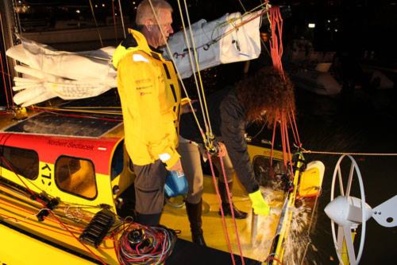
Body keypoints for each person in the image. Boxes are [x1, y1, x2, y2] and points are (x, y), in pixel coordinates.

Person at [179, 66, 295, 246]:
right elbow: (240, 152)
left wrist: (222, 141)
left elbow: (224, 125)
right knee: (196, 184)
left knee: (228, 167)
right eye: (271, 106)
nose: (271, 112)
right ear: (264, 97)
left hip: (212, 133)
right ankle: (197, 232)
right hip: (189, 134)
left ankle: (226, 207)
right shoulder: (232, 105)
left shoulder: (248, 100)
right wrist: (254, 194)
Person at [112, 0, 184, 226]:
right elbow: (147, 120)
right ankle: (143, 250)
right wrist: (170, 158)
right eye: (167, 25)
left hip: (159, 147)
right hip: (151, 153)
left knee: (155, 201)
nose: (172, 30)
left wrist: (183, 105)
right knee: (149, 211)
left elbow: (159, 103)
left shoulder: (150, 56)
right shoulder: (138, 63)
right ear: (150, 23)